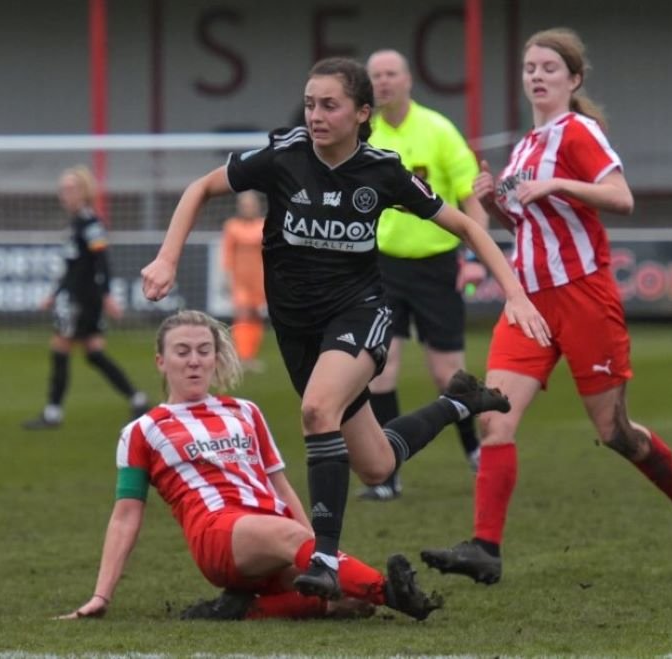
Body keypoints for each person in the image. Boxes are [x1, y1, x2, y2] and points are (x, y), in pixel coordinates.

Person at [141, 57, 551, 600]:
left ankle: (325, 558)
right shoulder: (283, 155)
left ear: (361, 113)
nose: (315, 115)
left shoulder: (382, 170)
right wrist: (167, 259)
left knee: (316, 410)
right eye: (310, 103)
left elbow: (465, 226)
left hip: (359, 312)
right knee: (378, 465)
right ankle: (459, 401)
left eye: (329, 105)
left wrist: (517, 294)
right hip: (297, 328)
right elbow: (199, 189)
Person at [421, 28, 672, 586]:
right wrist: (495, 203)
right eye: (530, 66)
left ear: (573, 79)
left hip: (583, 297)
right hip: (528, 302)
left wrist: (557, 184)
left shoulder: (577, 132)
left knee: (615, 434)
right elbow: (532, 224)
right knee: (494, 420)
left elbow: (621, 197)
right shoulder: (526, 146)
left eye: (549, 68)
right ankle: (486, 548)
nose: (536, 75)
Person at [56, 310, 441, 622]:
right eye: (182, 351)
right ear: (161, 361)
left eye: (204, 350)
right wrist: (101, 595)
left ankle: (243, 610)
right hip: (218, 534)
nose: (194, 361)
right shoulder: (142, 430)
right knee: (324, 562)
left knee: (351, 602)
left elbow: (280, 485)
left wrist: (318, 550)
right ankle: (394, 593)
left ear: (216, 357)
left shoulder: (245, 411)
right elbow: (125, 516)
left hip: (272, 528)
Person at [358, 49, 489, 502]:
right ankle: (388, 473)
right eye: (375, 75)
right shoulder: (363, 134)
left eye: (391, 73)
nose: (384, 82)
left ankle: (475, 450)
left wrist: (474, 256)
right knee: (380, 369)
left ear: (409, 78)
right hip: (381, 268)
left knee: (446, 373)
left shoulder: (438, 130)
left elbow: (472, 198)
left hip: (438, 265)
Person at [23, 166, 150, 429]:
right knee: (93, 352)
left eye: (70, 189)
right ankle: (138, 399)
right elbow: (72, 266)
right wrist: (54, 294)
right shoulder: (76, 223)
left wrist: (106, 295)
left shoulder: (91, 223)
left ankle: (52, 414)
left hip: (83, 298)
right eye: (62, 189)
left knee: (60, 348)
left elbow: (101, 260)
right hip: (74, 296)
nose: (64, 194)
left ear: (84, 191)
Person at [221, 191, 267, 373]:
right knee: (243, 314)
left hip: (260, 277)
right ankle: (242, 356)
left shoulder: (263, 225)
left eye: (251, 204)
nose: (248, 207)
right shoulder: (232, 227)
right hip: (240, 278)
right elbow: (227, 253)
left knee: (256, 315)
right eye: (245, 204)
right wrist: (226, 275)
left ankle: (251, 356)